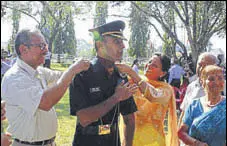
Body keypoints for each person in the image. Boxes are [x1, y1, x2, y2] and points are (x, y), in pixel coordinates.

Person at [1, 28, 90, 146]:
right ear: (23, 49)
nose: (46, 50)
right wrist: (72, 70)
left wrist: (82, 69)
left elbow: (60, 76)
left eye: (46, 45)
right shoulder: (14, 78)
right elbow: (45, 102)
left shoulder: (38, 71)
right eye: (41, 46)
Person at [69, 20, 138, 146]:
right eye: (117, 41)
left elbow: (129, 118)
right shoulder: (83, 74)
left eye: (122, 41)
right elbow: (84, 118)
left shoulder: (121, 76)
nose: (123, 46)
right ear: (100, 44)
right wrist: (116, 97)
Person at [116, 52, 179, 146]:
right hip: (130, 139)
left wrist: (131, 72)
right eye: (149, 62)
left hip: (153, 142)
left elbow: (153, 95)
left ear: (163, 73)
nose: (149, 65)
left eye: (154, 65)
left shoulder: (166, 90)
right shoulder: (133, 81)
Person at [178, 65, 226, 146]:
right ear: (202, 82)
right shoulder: (194, 105)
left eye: (220, 78)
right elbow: (181, 132)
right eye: (211, 79)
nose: (216, 82)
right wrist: (197, 143)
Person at [178, 52, 225, 127]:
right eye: (199, 64)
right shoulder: (191, 86)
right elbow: (184, 112)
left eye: (206, 65)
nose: (201, 68)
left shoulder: (223, 86)